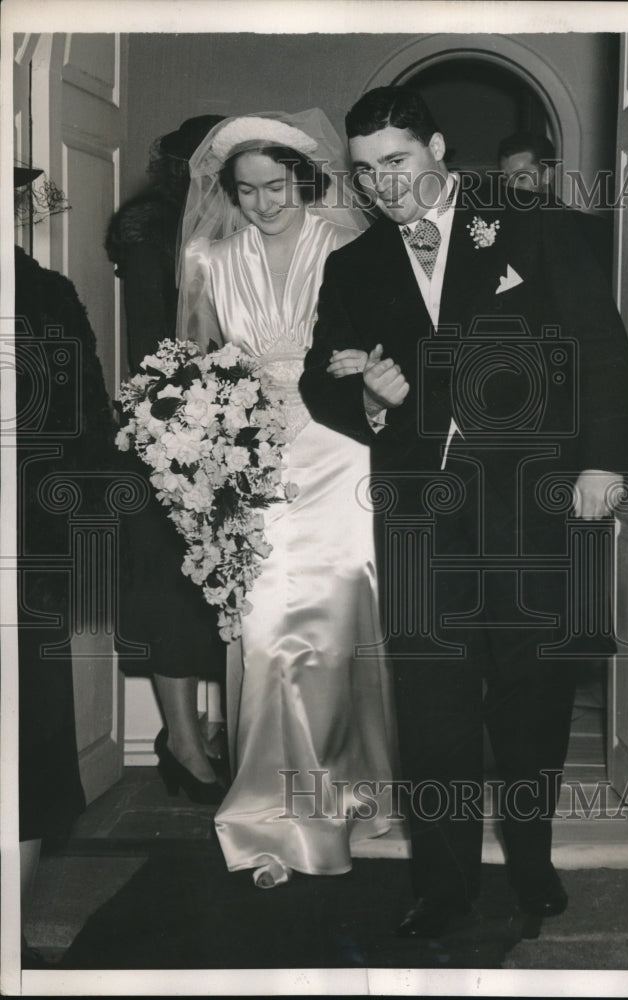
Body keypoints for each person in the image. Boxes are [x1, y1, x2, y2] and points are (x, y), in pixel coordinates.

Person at [300, 87, 628, 938]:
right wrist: (369, 402)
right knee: (434, 710)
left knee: (532, 699)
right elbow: (319, 378)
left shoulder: (530, 224)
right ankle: (444, 886)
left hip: (533, 506)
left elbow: (598, 340)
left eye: (401, 162)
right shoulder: (355, 265)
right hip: (420, 520)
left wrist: (603, 459)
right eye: (369, 170)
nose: (386, 186)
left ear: (439, 147)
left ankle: (530, 860)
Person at [177, 112, 395, 889]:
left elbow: (386, 342)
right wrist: (198, 443)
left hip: (338, 445)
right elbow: (196, 364)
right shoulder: (210, 257)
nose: (264, 204)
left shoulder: (346, 245)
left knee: (340, 612)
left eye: (276, 187)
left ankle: (355, 781)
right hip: (252, 455)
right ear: (226, 192)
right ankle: (272, 803)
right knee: (266, 625)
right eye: (246, 190)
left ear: (303, 179)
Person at [106, 116, 228, 802]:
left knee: (220, 595)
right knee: (172, 594)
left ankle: (200, 730)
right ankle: (182, 741)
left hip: (226, 431)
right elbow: (153, 347)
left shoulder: (229, 226)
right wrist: (190, 428)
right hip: (166, 434)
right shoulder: (151, 227)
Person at [14, 166, 117, 964]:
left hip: (27, 543)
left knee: (33, 733)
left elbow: (85, 425)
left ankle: (11, 928)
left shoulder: (47, 296)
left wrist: (79, 551)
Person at [498, 130, 612, 274]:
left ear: (547, 175)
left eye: (521, 178)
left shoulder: (589, 229)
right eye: (505, 179)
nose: (510, 188)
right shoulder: (499, 230)